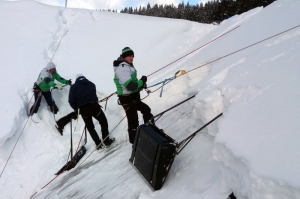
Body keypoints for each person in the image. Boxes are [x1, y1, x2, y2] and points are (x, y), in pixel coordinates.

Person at [113, 47, 153, 144]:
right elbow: (130, 85)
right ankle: (135, 145)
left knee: (146, 110)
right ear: (124, 57)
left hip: (133, 97)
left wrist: (140, 85)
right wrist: (142, 81)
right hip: (127, 99)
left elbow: (133, 85)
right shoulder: (122, 68)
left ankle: (151, 132)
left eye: (132, 56)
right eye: (129, 56)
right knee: (133, 121)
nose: (131, 58)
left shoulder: (128, 66)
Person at [68, 74, 115, 149]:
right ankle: (106, 141)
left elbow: (71, 101)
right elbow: (93, 95)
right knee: (103, 121)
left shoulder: (74, 87)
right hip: (94, 106)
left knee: (90, 127)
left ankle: (98, 144)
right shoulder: (91, 84)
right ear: (84, 78)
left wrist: (77, 109)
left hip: (83, 109)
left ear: (76, 80)